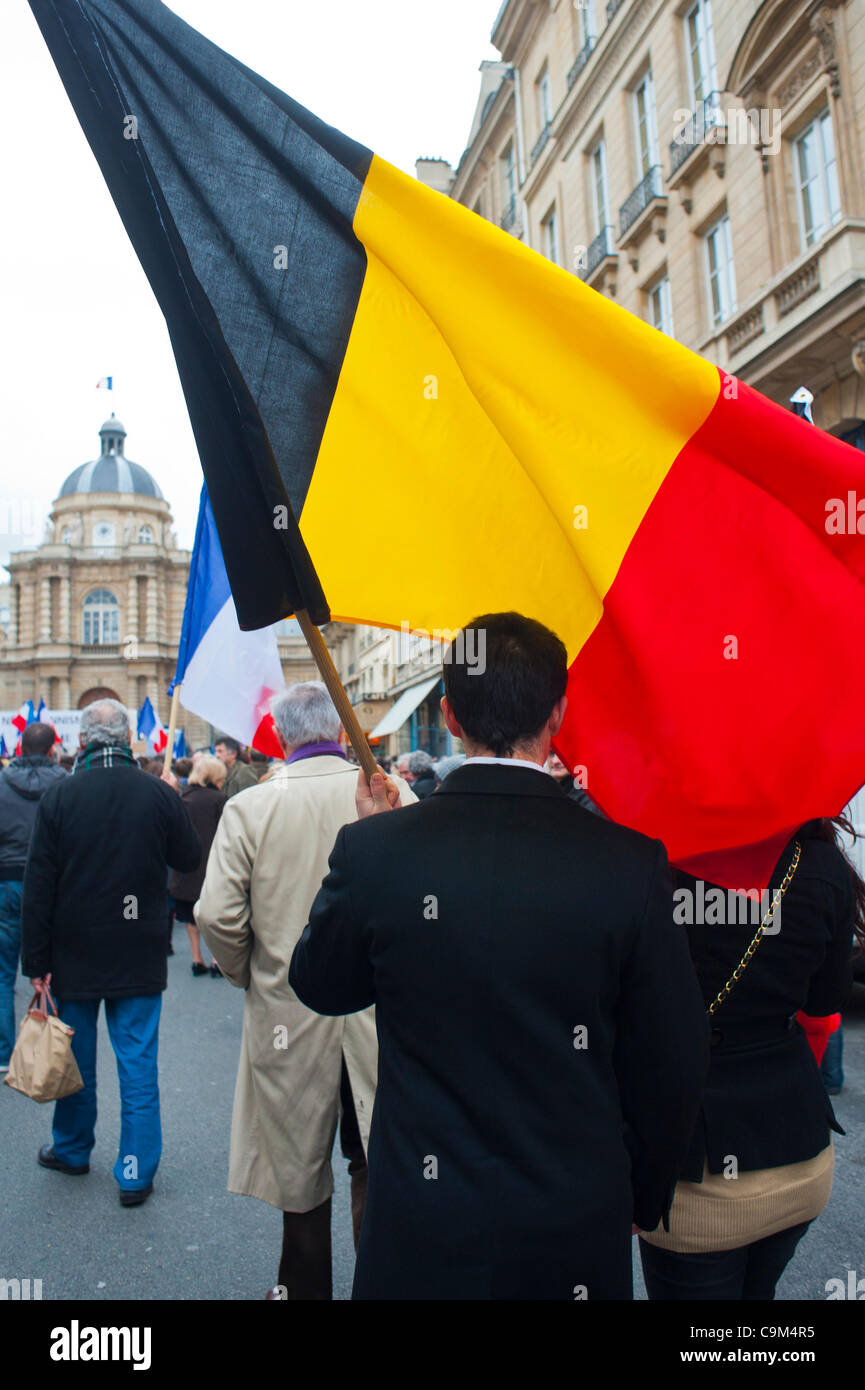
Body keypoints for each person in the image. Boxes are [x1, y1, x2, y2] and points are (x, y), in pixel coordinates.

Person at [290, 612, 709, 1300]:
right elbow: (673, 1052)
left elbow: (320, 984)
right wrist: (638, 1191)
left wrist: (367, 850)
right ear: (558, 712)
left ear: (448, 715)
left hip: (423, 1222)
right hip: (571, 1217)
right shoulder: (628, 864)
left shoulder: (377, 851)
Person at [197, 682, 415, 1299]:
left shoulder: (252, 807)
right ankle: (379, 1285)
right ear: (341, 732)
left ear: (284, 737)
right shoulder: (393, 795)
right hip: (381, 1009)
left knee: (299, 1168)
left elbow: (216, 915)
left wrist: (252, 971)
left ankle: (303, 1290)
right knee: (377, 1155)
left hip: (290, 1006)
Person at [638, 816, 860, 1300]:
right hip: (798, 1159)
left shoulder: (656, 864)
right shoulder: (821, 864)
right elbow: (824, 1005)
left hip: (694, 1186)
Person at [21, 699, 200, 1206]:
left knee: (74, 1058)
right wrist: (172, 803)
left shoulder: (60, 797)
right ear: (126, 741)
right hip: (138, 948)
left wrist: (36, 963)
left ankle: (73, 1150)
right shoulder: (155, 793)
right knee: (138, 1063)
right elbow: (188, 858)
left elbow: (39, 883)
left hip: (73, 949)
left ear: (84, 742)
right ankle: (133, 1172)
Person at [0, 722, 66, 1071]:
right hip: (53, 884)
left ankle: (2, 1051)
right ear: (53, 749)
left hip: (8, 881)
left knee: (2, 973)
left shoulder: (1, 783)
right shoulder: (65, 783)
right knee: (57, 967)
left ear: (20, 748)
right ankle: (60, 1041)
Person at [169, 754, 226, 977]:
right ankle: (215, 959)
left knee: (191, 917)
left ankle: (196, 958)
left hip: (185, 867)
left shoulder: (181, 797)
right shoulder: (218, 798)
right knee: (213, 915)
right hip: (212, 865)